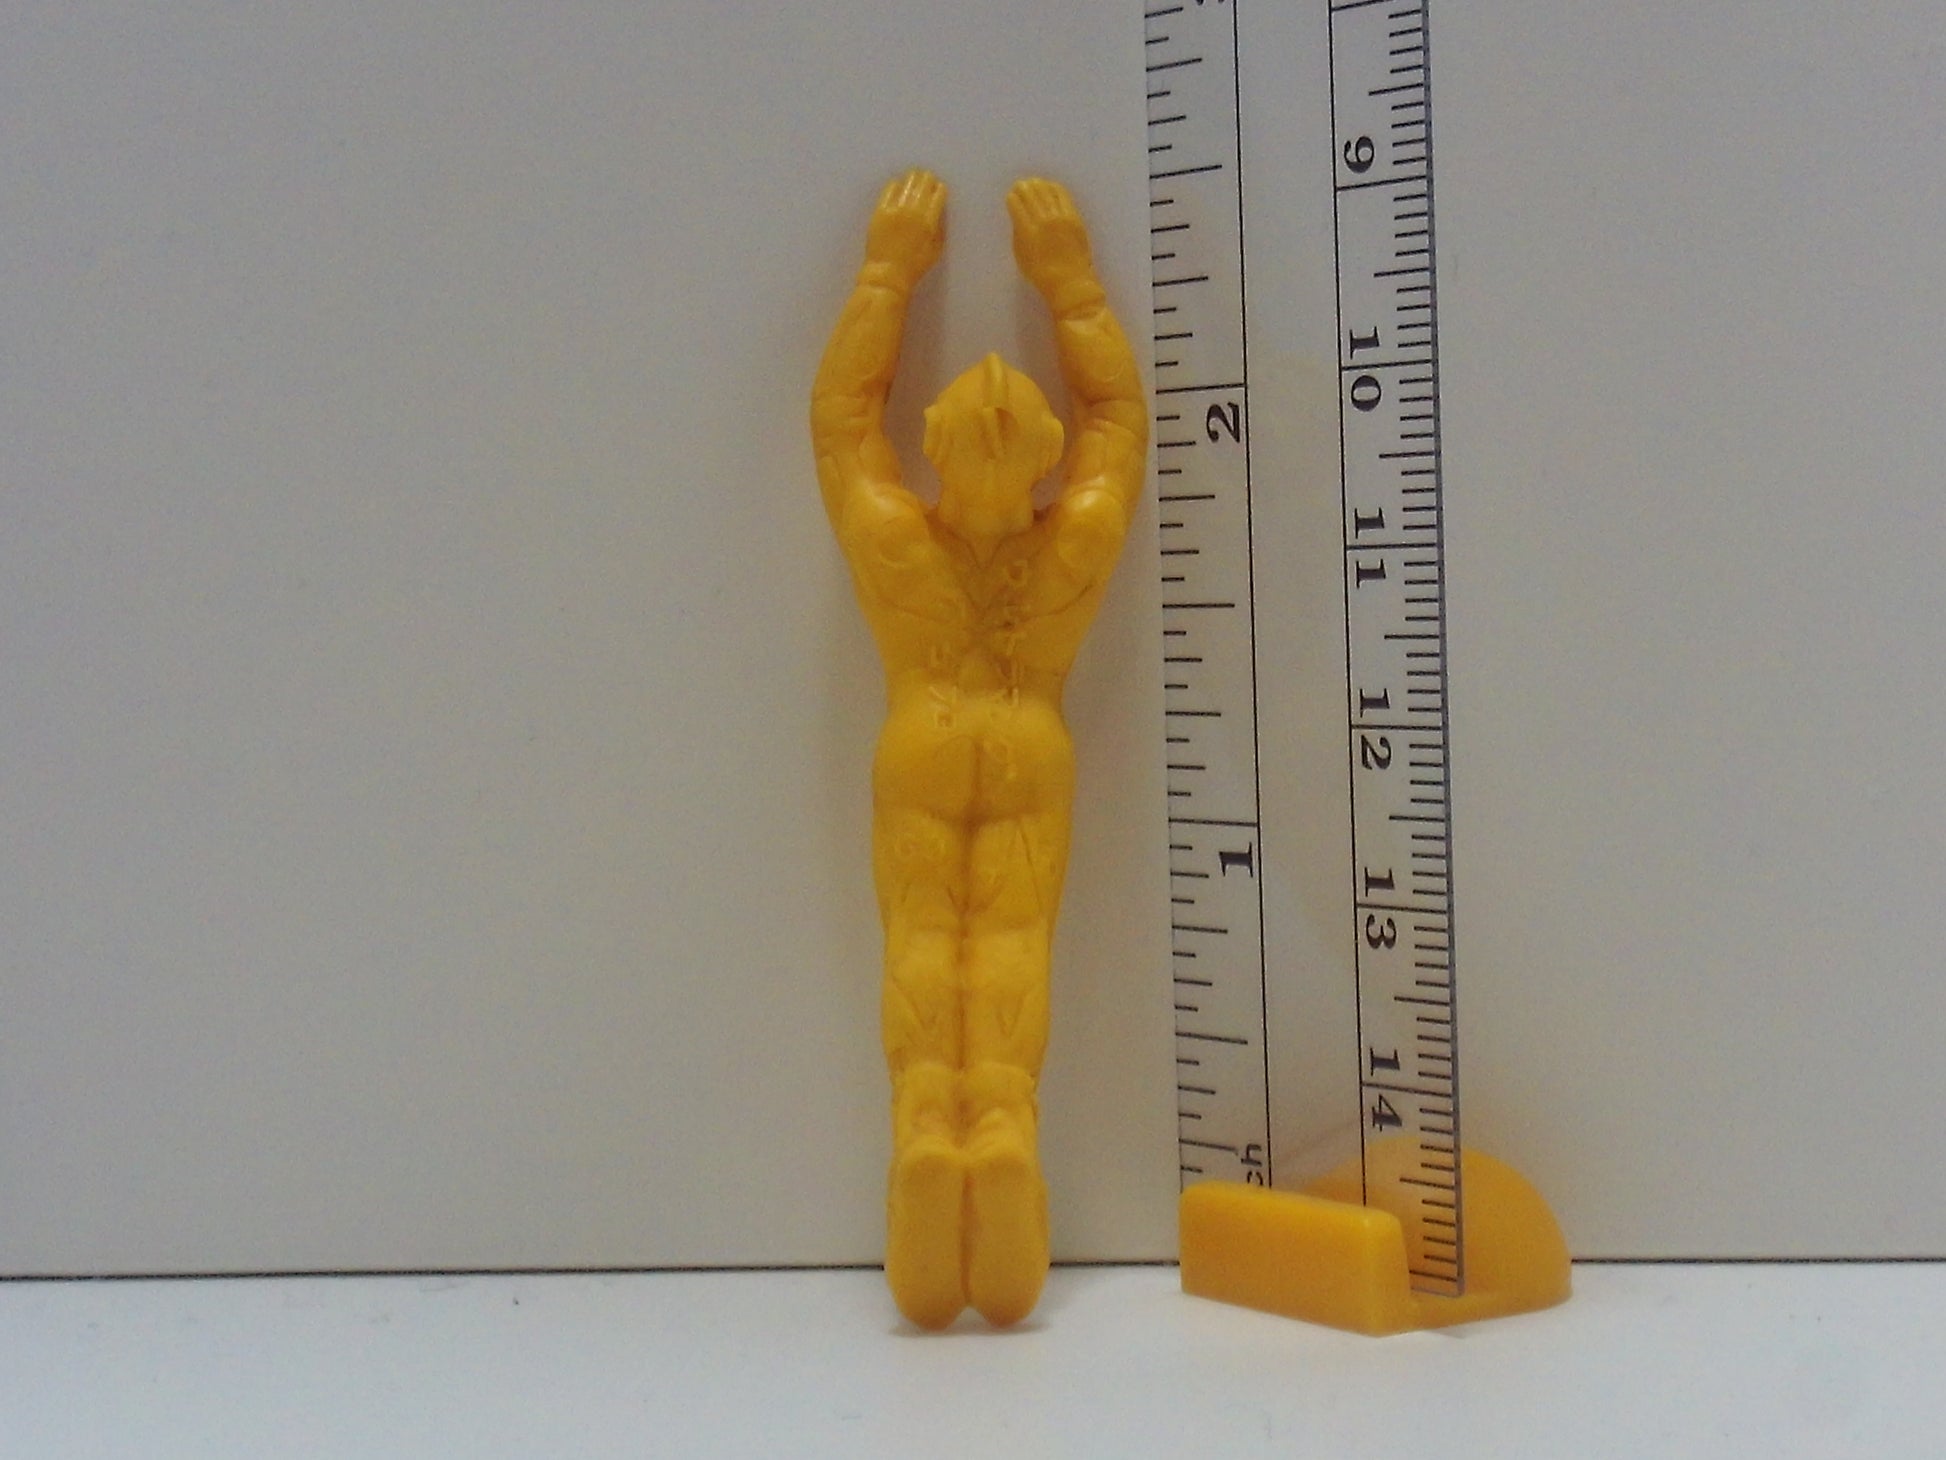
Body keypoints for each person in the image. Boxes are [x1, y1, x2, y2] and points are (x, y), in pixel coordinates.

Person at [810, 169, 1145, 1327]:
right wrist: (1070, 284)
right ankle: (1001, 1124)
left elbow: (841, 422)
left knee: (920, 940)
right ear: (1041, 452)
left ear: (936, 448)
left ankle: (921, 1130)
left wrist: (887, 271)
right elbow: (1119, 422)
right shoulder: (1073, 543)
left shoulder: (895, 540)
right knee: (1008, 945)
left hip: (921, 737)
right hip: (1026, 747)